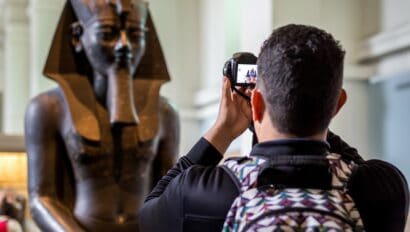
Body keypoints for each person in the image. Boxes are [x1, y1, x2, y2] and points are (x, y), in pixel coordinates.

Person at [139, 24, 409, 232]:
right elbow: (359, 168)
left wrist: (221, 132)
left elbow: (148, 215)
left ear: (256, 103)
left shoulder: (202, 194)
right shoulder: (383, 189)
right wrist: (308, 110)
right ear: (337, 105)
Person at [25, 0, 179, 231]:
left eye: (135, 35)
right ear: (77, 36)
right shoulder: (48, 109)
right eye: (108, 34)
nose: (123, 46)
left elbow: (168, 194)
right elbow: (42, 198)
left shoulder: (165, 112)